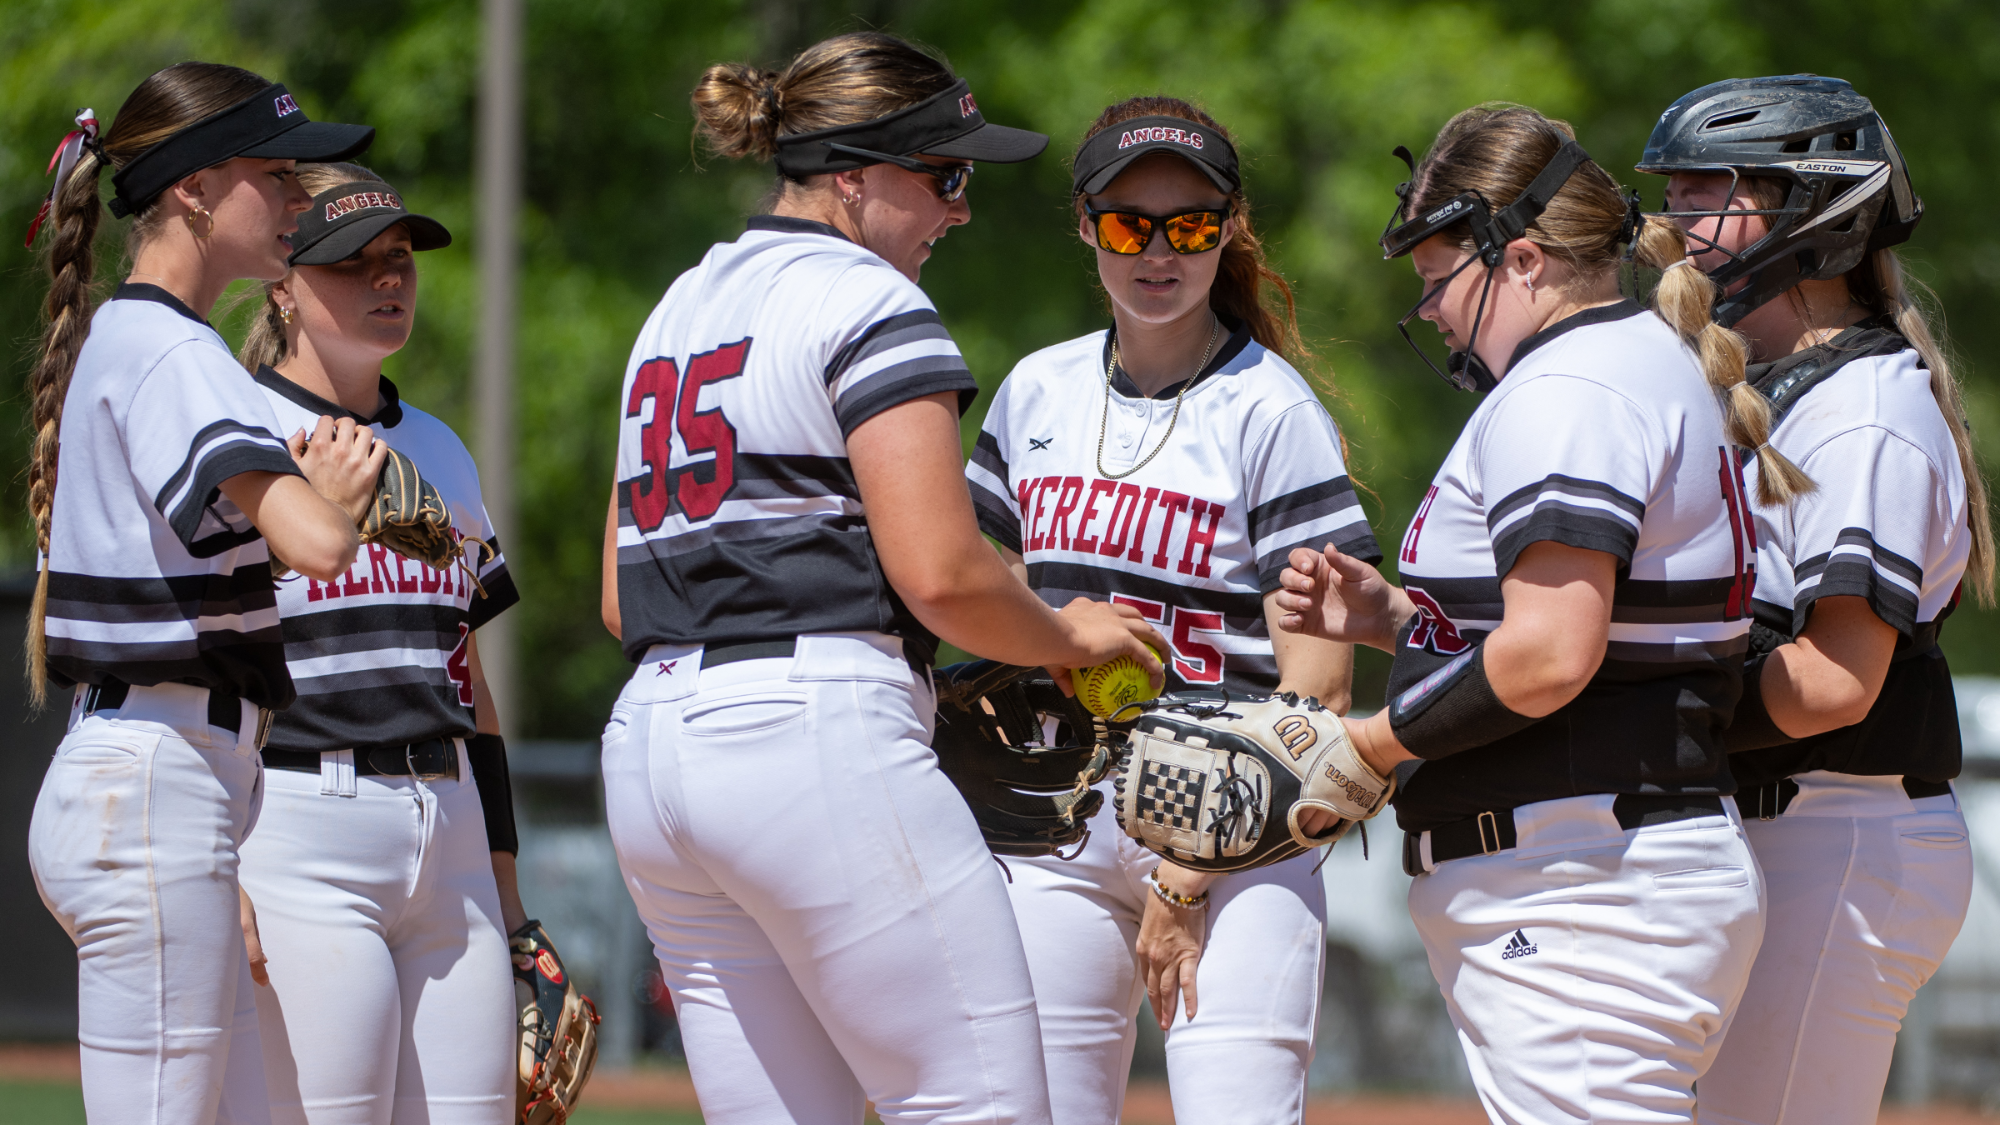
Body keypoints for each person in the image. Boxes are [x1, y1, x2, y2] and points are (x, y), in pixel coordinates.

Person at [596, 32, 1165, 1125]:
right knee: (980, 1105)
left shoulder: (675, 307)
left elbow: (623, 597)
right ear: (853, 177)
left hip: (652, 757)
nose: (959, 207)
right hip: (806, 737)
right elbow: (943, 578)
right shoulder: (867, 301)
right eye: (943, 176)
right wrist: (1069, 633)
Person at [1276, 104, 1801, 1124]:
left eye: (1438, 278)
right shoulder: (1637, 360)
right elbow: (1603, 632)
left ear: (1519, 260)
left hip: (1581, 883)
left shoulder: (1573, 386)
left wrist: (1367, 744)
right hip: (1599, 872)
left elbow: (1551, 656)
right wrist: (1397, 621)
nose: (1426, 309)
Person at [963, 96, 1378, 1124]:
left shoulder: (1269, 409)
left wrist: (1188, 873)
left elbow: (1318, 687)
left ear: (1226, 228)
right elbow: (976, 589)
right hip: (1052, 814)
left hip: (1236, 829)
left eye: (1189, 223)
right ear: (1085, 227)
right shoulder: (1034, 391)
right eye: (1126, 224)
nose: (1159, 250)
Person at [21, 63, 382, 1125]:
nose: (296, 199)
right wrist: (336, 494)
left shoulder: (144, 342)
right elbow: (317, 542)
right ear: (189, 188)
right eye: (272, 174)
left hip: (165, 780)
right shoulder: (173, 349)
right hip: (155, 782)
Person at [1639, 75, 1986, 1125]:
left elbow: (1835, 679)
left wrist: (1634, 724)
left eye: (1710, 188)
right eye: (1676, 188)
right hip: (1767, 834)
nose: (1675, 216)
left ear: (1812, 209)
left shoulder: (1864, 412)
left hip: (1832, 837)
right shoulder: (1759, 387)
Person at [229, 164, 524, 1125]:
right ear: (282, 281)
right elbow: (197, 652)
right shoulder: (239, 433)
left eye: (398, 258)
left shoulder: (439, 448)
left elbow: (468, 678)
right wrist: (217, 861)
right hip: (300, 818)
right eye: (350, 263)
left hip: (452, 836)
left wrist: (511, 900)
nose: (386, 278)